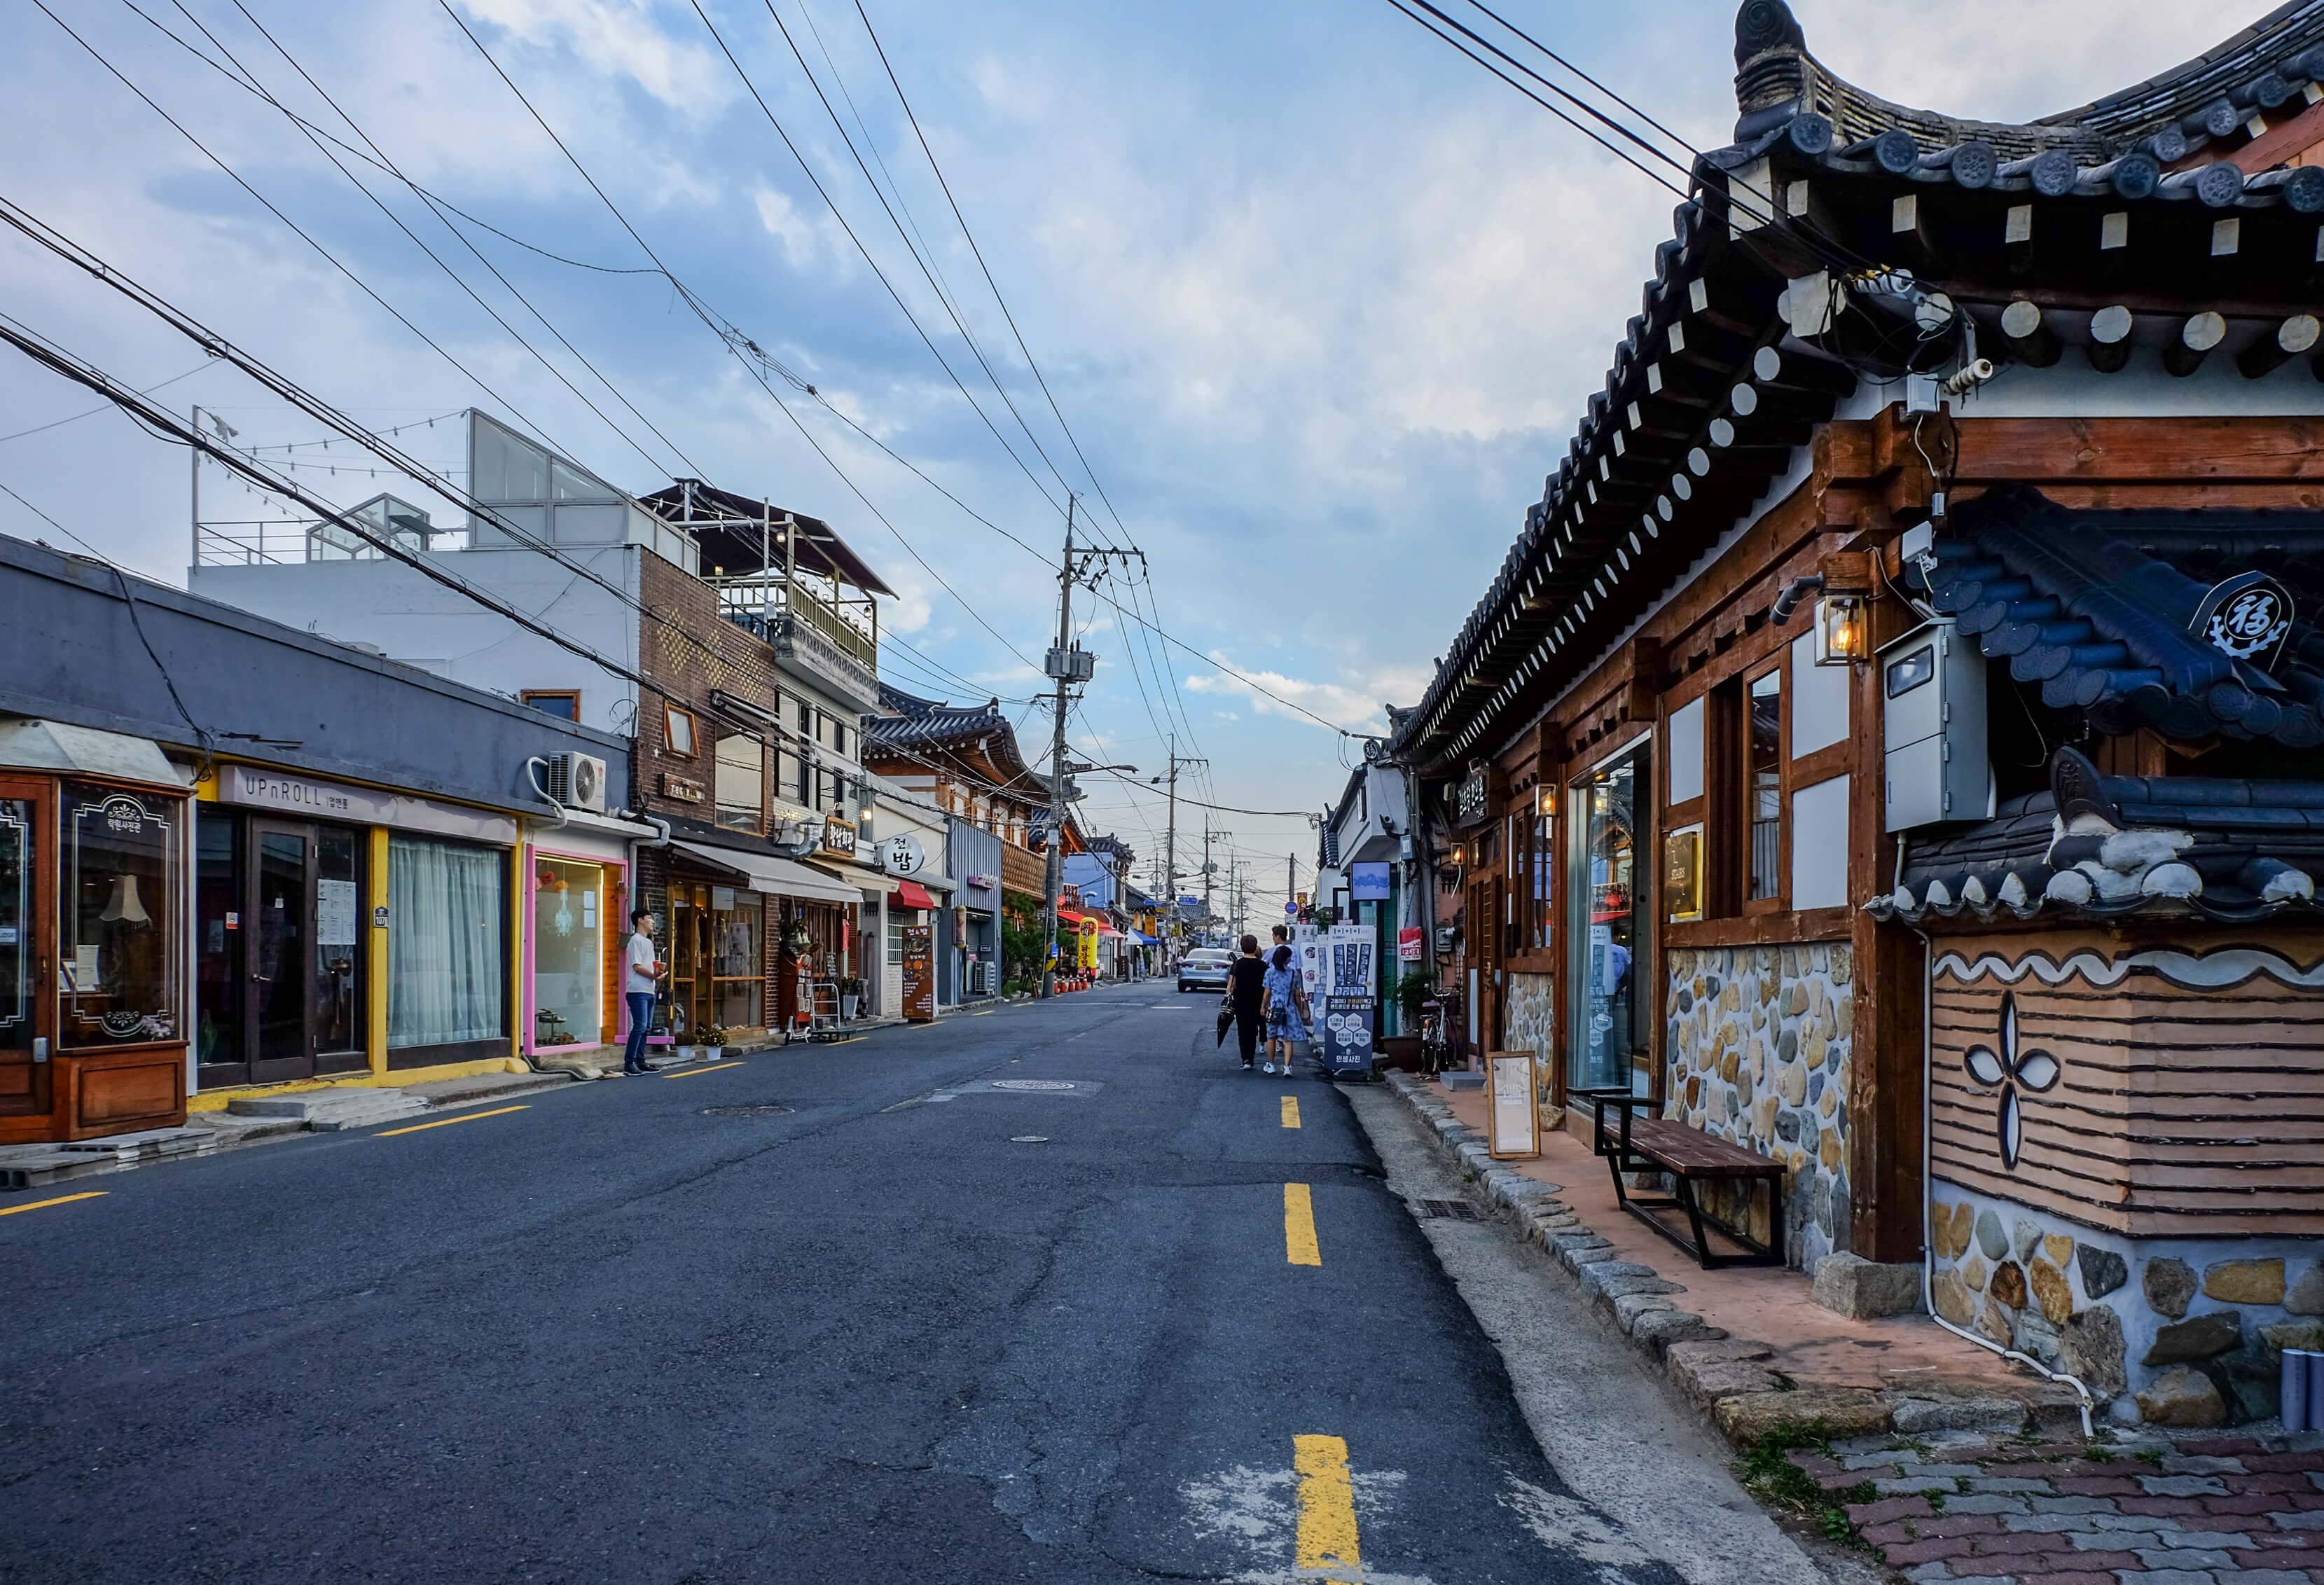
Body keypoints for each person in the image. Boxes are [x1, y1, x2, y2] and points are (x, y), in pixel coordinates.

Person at [622, 907, 667, 1076]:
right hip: (637, 990)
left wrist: (658, 973)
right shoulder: (635, 940)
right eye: (650, 918)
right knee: (640, 1026)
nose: (653, 921)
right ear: (640, 920)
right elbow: (637, 966)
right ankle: (630, 1062)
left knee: (646, 1027)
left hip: (648, 989)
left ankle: (641, 1061)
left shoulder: (648, 942)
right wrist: (654, 976)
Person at [1261, 943, 1310, 1076]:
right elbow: (1296, 994)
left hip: (1274, 1008)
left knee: (1271, 1037)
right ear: (1287, 959)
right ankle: (1287, 1067)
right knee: (1288, 1039)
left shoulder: (1270, 972)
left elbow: (1267, 992)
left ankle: (1270, 1065)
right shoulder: (1293, 974)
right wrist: (1299, 1010)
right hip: (1289, 1009)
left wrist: (1263, 1007)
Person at [1226, 933, 1268, 1072]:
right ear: (1255, 947)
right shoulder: (1263, 965)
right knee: (1254, 1029)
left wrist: (1230, 994)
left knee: (1243, 1030)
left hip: (1241, 1002)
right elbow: (1267, 985)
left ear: (1242, 948)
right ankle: (1252, 1057)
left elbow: (1231, 986)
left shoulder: (1238, 964)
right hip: (1259, 1001)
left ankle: (1246, 1060)